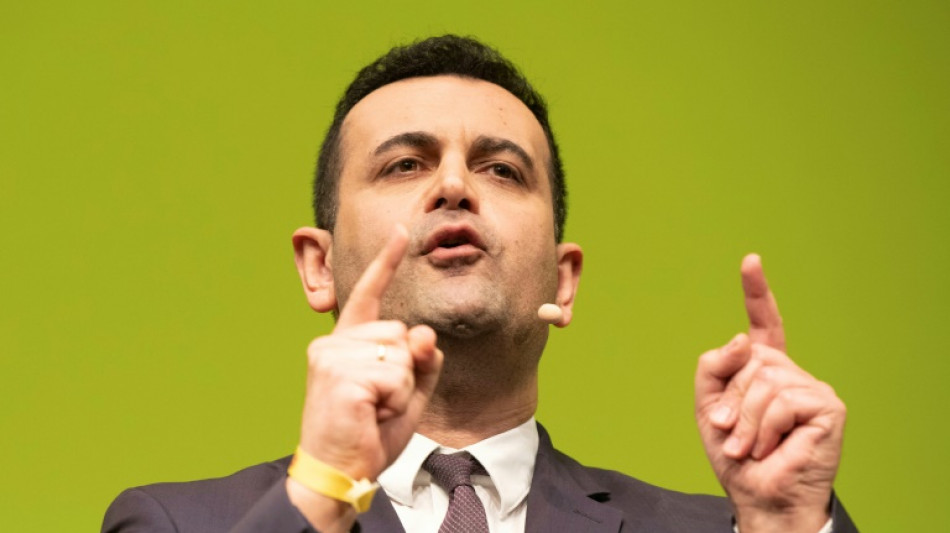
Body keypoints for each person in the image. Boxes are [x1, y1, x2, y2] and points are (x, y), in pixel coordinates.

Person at [102, 35, 857, 533]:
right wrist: (325, 490)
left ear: (565, 278)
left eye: (502, 170)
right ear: (319, 265)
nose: (455, 186)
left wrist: (787, 523)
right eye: (405, 164)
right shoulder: (177, 522)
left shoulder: (729, 530)